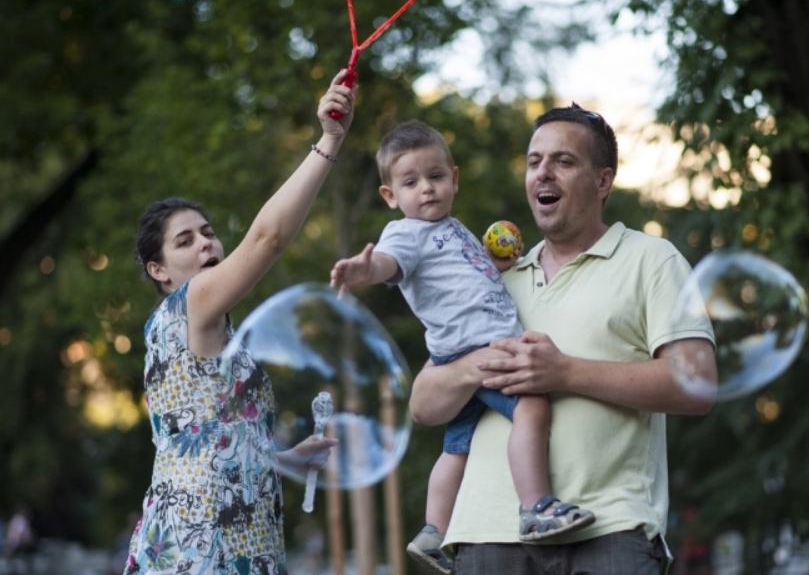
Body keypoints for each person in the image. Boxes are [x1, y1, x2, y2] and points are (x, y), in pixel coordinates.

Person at [408, 104, 717, 575]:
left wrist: (565, 371)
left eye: (564, 161)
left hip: (607, 530)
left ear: (603, 181)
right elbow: (424, 406)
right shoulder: (494, 278)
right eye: (534, 162)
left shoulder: (652, 259)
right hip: (485, 536)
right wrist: (477, 367)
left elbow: (697, 384)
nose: (542, 173)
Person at [329, 120, 594, 574]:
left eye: (435, 177)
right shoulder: (405, 234)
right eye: (410, 182)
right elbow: (392, 265)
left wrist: (495, 263)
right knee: (532, 406)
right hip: (480, 347)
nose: (426, 190)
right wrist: (364, 270)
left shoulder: (451, 229)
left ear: (454, 177)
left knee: (457, 448)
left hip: (462, 352)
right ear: (391, 196)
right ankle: (537, 508)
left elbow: (460, 274)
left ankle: (433, 530)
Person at [124, 70, 356, 575]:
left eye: (207, 233)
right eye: (184, 241)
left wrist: (287, 459)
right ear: (158, 271)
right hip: (203, 548)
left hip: (238, 537)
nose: (206, 243)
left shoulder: (212, 335)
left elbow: (214, 438)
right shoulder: (190, 303)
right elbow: (267, 239)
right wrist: (329, 140)